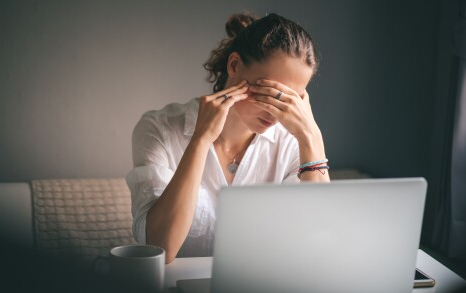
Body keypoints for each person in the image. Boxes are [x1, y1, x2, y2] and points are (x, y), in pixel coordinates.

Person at [126, 12, 330, 264]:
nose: (277, 115)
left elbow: (319, 249)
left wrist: (312, 137)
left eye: (291, 101)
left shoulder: (294, 142)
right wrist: (200, 141)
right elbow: (160, 248)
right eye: (270, 94)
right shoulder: (160, 128)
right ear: (234, 66)